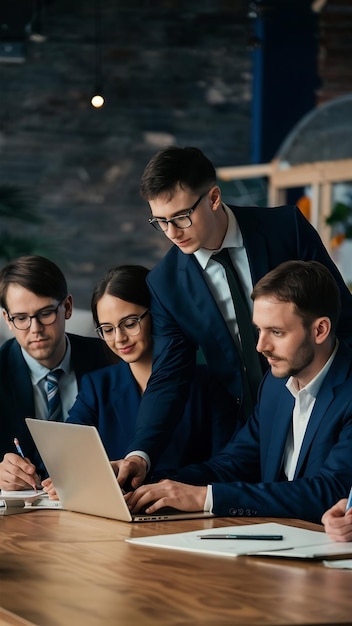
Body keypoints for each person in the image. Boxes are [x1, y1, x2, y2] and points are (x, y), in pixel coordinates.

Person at [116, 145, 352, 489]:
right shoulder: (165, 283)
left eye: (181, 217)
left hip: (324, 407)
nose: (172, 232)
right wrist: (140, 454)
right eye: (160, 222)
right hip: (241, 429)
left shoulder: (286, 229)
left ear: (213, 197)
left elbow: (342, 318)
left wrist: (340, 403)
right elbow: (168, 376)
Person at [125, 260, 352, 525]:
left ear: (320, 330)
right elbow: (232, 464)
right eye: (259, 330)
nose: (260, 346)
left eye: (276, 332)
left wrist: (206, 498)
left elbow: (328, 491)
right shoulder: (275, 386)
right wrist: (143, 484)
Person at [0, 255, 112, 491]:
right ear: (7, 320)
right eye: (21, 318)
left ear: (67, 307)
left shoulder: (109, 359)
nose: (35, 329)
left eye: (45, 313)